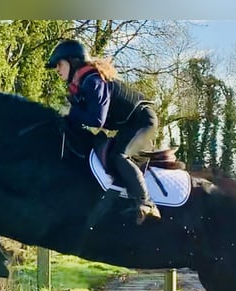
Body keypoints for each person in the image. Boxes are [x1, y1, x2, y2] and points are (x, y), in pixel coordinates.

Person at [46, 39, 161, 225]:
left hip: (143, 121)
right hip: (129, 124)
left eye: (59, 64)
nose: (57, 69)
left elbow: (96, 119)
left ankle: (146, 203)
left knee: (119, 155)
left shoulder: (93, 81)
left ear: (73, 61)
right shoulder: (83, 83)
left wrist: (69, 113)